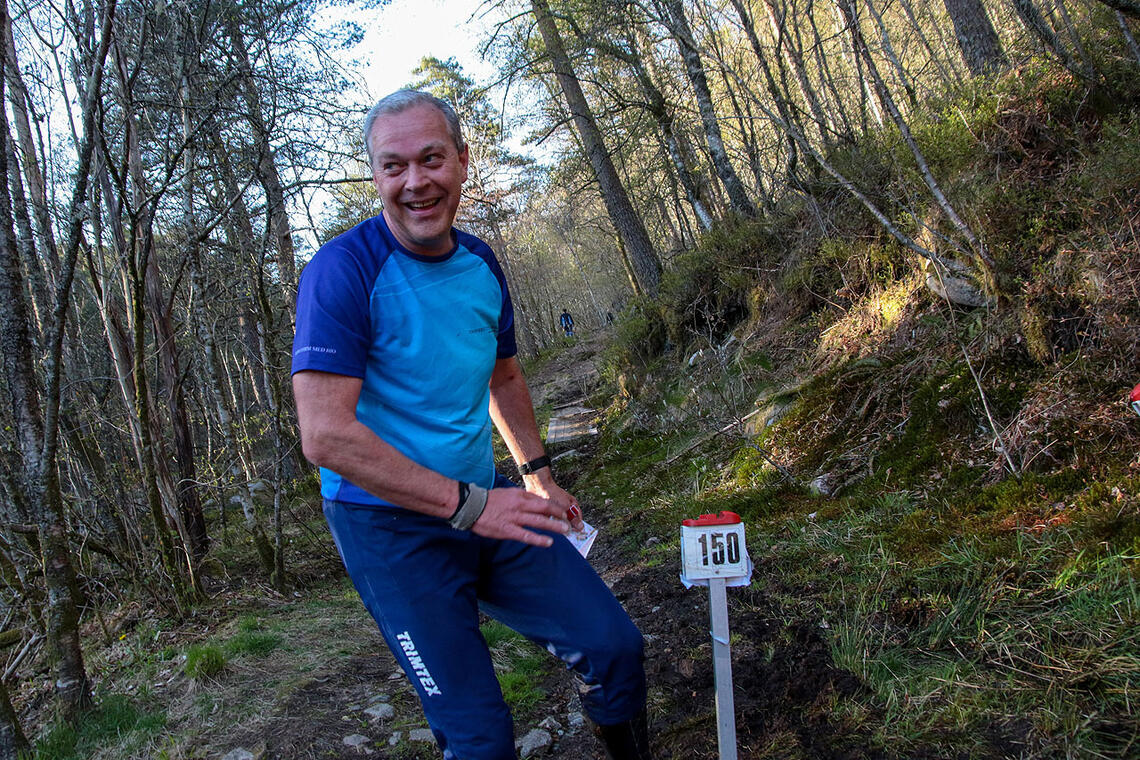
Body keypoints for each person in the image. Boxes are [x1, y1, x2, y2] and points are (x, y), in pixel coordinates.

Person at [291, 90, 652, 760]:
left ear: (462, 161)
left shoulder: (480, 263)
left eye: (431, 159)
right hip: (388, 527)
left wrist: (537, 476)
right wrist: (467, 506)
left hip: (486, 497)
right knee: (481, 738)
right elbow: (325, 435)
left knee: (615, 648)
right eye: (393, 166)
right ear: (376, 178)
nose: (415, 182)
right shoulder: (341, 273)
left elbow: (505, 376)